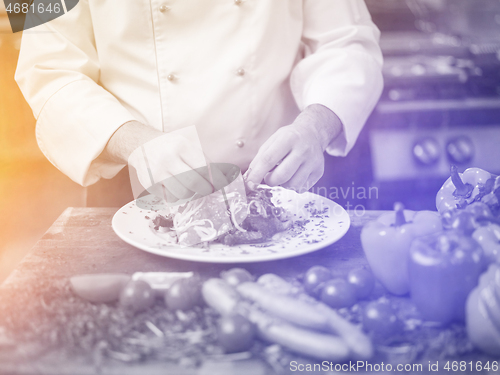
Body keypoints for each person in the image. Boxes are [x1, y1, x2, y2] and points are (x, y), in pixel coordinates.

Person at [16, 0, 383, 204]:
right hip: (134, 190)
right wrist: (137, 145)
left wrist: (316, 128)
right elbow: (46, 69)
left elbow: (348, 40)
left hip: (276, 184)